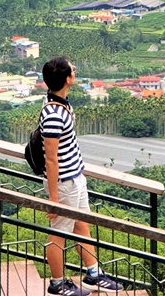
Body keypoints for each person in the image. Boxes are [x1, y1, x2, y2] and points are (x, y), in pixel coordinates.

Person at [40, 55, 124, 295]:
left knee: (81, 225)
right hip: (64, 183)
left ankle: (93, 274)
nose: (75, 71)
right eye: (72, 70)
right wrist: (54, 197)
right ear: (67, 79)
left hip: (74, 178)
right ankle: (57, 284)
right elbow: (51, 158)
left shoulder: (61, 102)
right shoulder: (55, 113)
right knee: (59, 233)